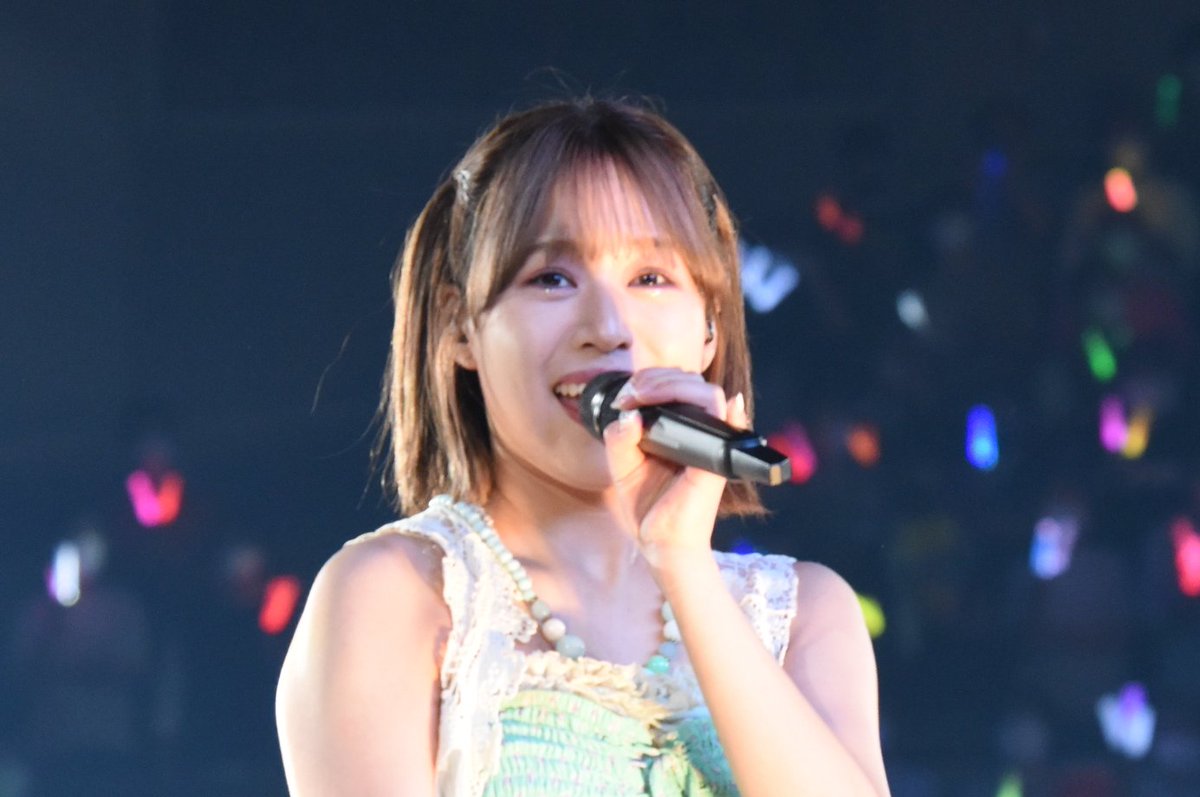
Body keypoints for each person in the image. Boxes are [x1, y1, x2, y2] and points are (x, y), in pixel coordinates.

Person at [275, 97, 891, 796]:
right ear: (459, 327)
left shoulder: (805, 615)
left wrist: (683, 565)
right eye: (552, 279)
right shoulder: (393, 597)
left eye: (650, 278)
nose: (609, 327)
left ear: (711, 329)